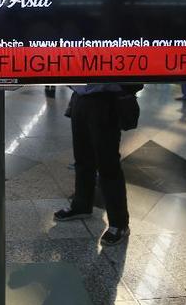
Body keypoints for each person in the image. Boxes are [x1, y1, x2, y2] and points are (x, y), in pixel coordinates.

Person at [54, 83, 142, 246]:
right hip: (80, 99)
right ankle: (82, 204)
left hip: (106, 100)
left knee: (108, 164)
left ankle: (119, 223)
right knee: (82, 158)